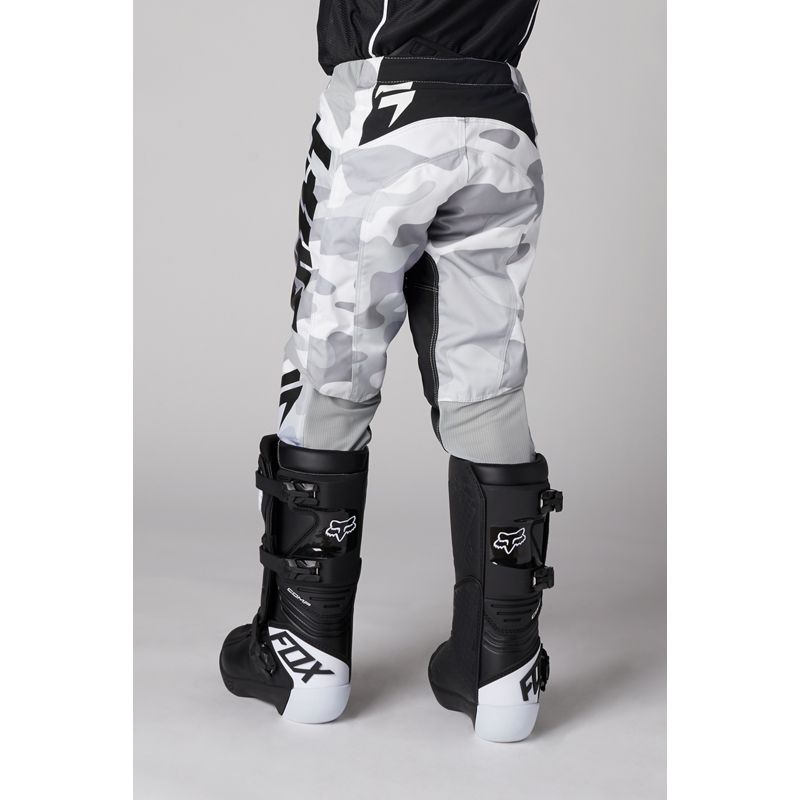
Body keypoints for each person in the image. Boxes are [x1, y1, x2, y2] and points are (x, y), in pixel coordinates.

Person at [219, 0, 563, 743]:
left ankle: (303, 651)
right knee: (485, 378)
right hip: (500, 113)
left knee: (335, 367)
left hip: (386, 103)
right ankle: (502, 666)